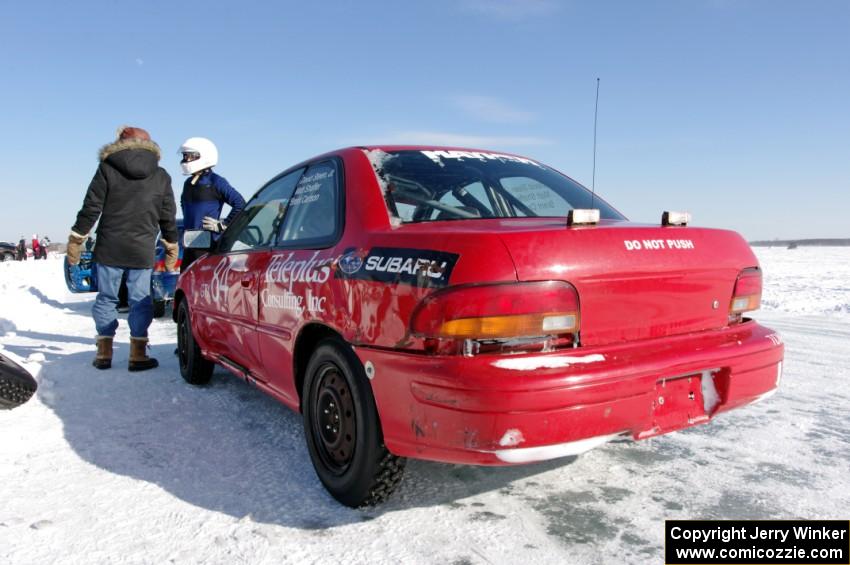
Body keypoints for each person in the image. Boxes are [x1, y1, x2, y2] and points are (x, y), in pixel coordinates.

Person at [66, 126, 179, 371]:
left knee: (107, 298)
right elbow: (167, 214)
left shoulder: (107, 168)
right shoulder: (161, 175)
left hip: (109, 247)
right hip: (142, 248)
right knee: (140, 299)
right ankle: (138, 355)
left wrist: (77, 238)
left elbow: (91, 207)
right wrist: (171, 242)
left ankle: (104, 353)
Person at [178, 137, 245, 271]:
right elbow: (184, 206)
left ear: (203, 156)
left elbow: (240, 203)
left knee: (202, 286)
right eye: (184, 156)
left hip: (207, 246)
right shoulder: (188, 183)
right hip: (189, 245)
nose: (185, 159)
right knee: (184, 286)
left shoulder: (216, 181)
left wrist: (223, 225)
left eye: (188, 156)